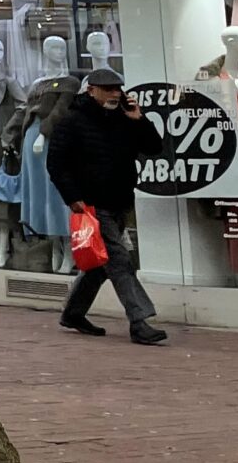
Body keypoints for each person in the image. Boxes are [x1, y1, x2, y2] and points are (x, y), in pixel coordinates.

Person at [46, 68, 167, 345]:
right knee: (120, 261)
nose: (115, 93)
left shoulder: (124, 119)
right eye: (108, 89)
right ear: (91, 90)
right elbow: (56, 164)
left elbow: (154, 147)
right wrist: (73, 197)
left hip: (120, 200)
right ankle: (140, 321)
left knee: (100, 264)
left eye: (118, 89)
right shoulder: (72, 121)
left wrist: (140, 120)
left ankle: (74, 313)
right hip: (91, 204)